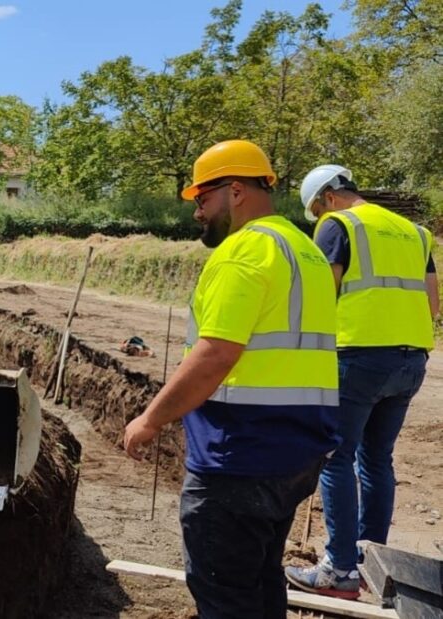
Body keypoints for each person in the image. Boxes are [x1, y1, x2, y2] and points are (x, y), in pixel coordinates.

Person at [123, 140, 340, 618]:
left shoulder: (244, 252)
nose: (198, 212)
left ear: (236, 191)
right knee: (260, 581)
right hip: (295, 451)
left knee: (224, 594)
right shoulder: (303, 250)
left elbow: (215, 354)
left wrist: (150, 420)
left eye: (203, 198)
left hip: (241, 452)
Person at [284, 165, 437, 599]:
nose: (319, 218)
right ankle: (373, 566)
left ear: (328, 198)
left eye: (317, 210)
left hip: (357, 357)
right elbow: (432, 304)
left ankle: (339, 570)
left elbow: (320, 296)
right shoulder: (414, 232)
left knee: (336, 458)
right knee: (377, 460)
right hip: (410, 360)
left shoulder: (339, 225)